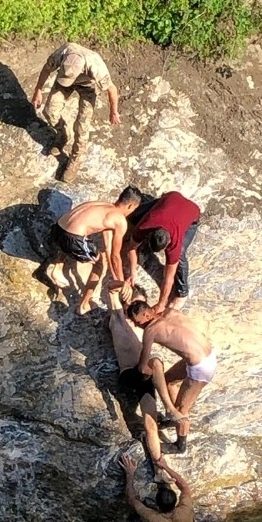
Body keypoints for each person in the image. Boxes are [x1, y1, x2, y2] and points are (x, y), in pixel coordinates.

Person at [107, 283, 184, 466]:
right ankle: (169, 408)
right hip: (129, 374)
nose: (136, 308)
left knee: (150, 423)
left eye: (140, 304)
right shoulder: (118, 318)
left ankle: (158, 466)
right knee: (156, 361)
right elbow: (111, 289)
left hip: (144, 376)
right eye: (133, 303)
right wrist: (122, 284)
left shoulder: (147, 325)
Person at [127, 301, 216, 453]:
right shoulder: (171, 312)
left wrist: (151, 372)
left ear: (147, 315)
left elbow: (143, 368)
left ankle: (180, 445)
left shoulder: (150, 330)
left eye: (138, 323)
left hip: (200, 368)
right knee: (168, 380)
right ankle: (172, 418)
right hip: (208, 355)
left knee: (183, 408)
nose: (137, 326)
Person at [38, 187, 142, 315]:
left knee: (92, 249)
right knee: (99, 264)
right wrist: (122, 284)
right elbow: (115, 256)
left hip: (57, 229)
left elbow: (108, 249)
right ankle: (84, 305)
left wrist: (117, 278)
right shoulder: (119, 220)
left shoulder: (103, 205)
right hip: (71, 239)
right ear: (131, 205)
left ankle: (57, 266)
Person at [31, 43, 121, 182]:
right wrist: (38, 90)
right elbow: (46, 69)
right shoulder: (62, 53)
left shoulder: (96, 68)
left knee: (82, 126)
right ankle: (62, 135)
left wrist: (113, 111)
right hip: (64, 79)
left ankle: (75, 158)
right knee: (50, 111)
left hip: (88, 86)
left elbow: (112, 89)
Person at [123, 191, 201, 312]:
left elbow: (169, 277)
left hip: (192, 212)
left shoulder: (175, 241)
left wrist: (161, 304)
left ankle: (182, 293)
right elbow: (132, 248)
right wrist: (133, 272)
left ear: (169, 242)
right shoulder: (145, 225)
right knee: (131, 218)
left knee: (180, 254)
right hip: (170, 198)